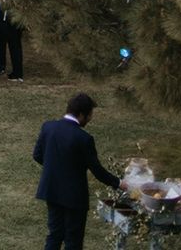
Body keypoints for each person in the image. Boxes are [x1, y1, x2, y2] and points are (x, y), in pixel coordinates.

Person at [34, 93, 125, 250]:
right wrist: (118, 183)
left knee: (54, 235)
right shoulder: (84, 138)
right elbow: (97, 170)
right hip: (74, 197)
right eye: (89, 115)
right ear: (82, 114)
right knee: (73, 241)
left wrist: (55, 167)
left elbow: (37, 155)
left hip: (52, 190)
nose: (90, 119)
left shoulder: (48, 127)